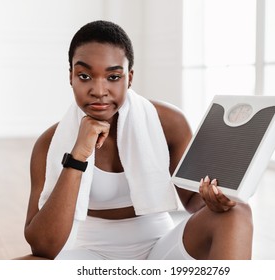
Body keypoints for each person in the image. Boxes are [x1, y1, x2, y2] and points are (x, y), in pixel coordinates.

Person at [20, 20, 253, 260]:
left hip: (159, 250)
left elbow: (193, 201)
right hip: (90, 255)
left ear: (129, 78)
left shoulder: (168, 122)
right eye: (84, 75)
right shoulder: (49, 143)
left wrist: (216, 199)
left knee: (237, 213)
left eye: (113, 77)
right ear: (71, 77)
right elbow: (44, 247)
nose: (99, 90)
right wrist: (78, 155)